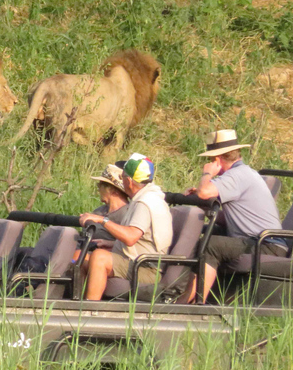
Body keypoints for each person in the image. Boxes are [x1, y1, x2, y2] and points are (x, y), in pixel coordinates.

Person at [179, 129, 285, 303]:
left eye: (210, 160)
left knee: (211, 245)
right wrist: (201, 203)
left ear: (217, 159)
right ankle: (185, 292)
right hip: (255, 240)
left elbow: (205, 192)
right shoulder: (242, 174)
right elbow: (226, 219)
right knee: (211, 233)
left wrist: (207, 174)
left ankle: (195, 302)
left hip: (266, 245)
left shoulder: (237, 175)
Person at [79, 153, 173, 301]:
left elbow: (130, 237)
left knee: (99, 258)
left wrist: (102, 220)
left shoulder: (145, 203)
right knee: (79, 256)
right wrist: (112, 243)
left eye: (122, 177)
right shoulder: (143, 198)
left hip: (146, 269)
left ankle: (89, 310)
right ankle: (74, 301)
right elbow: (143, 240)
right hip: (135, 261)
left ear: (128, 181)